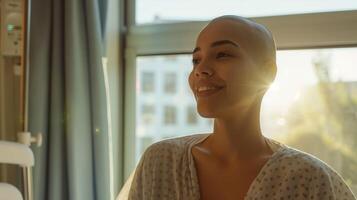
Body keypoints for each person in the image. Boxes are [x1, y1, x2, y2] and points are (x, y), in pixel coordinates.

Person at [119, 15, 356, 200]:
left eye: (222, 54)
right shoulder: (160, 162)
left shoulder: (309, 178)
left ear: (267, 72)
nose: (201, 69)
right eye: (196, 59)